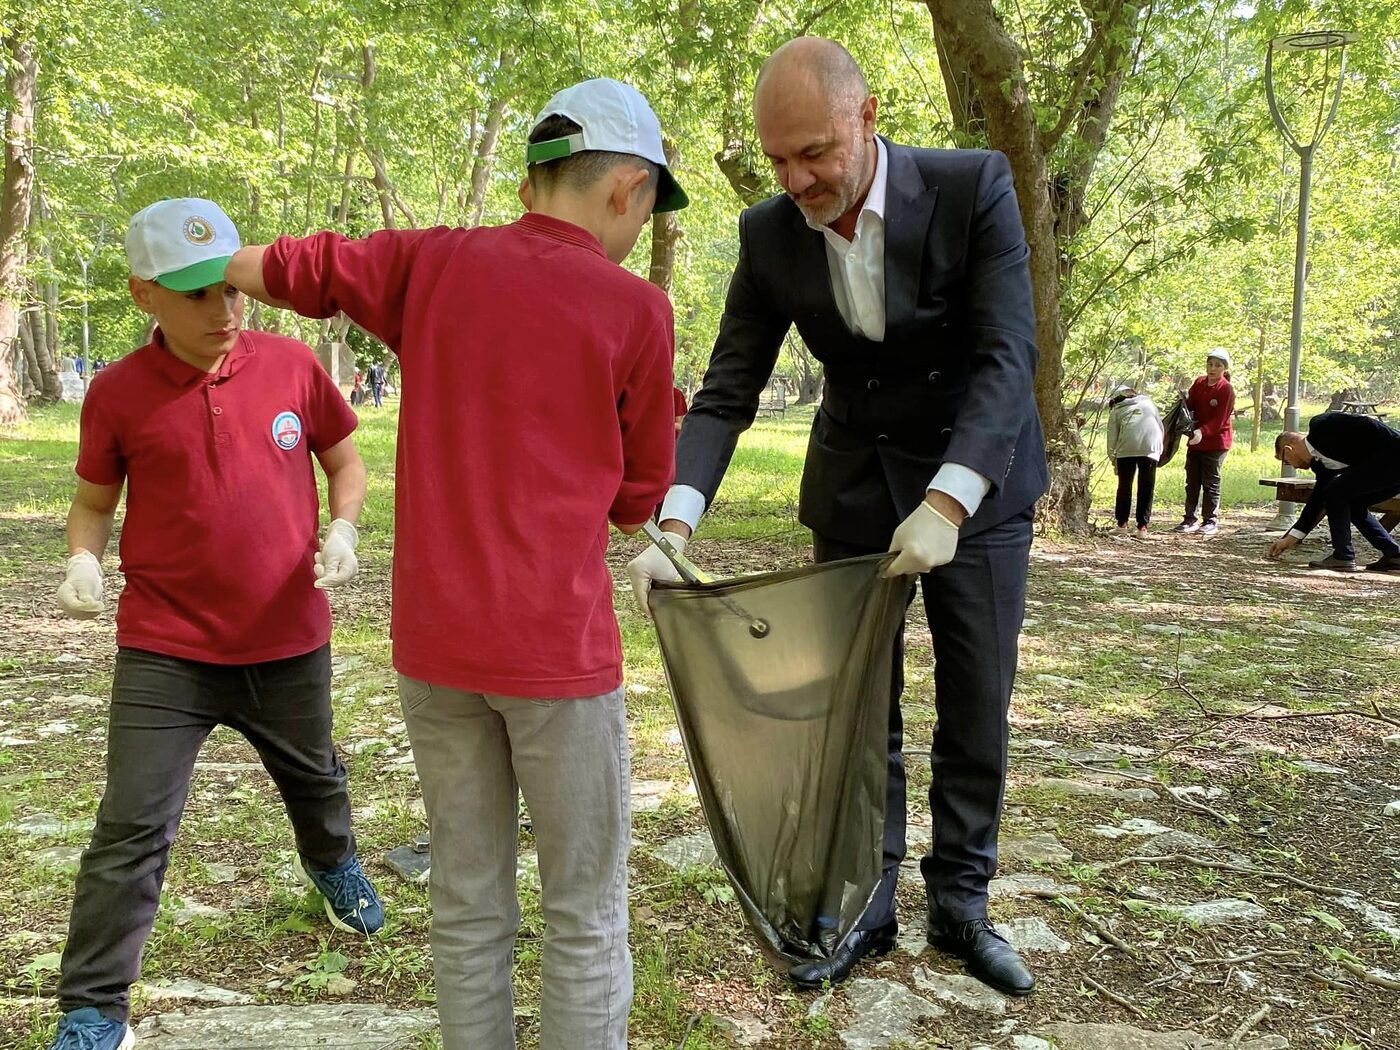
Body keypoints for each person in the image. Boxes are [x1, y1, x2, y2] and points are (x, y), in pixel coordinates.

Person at [224, 78, 683, 1050]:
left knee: (470, 904)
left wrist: (212, 263)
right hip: (558, 654)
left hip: (435, 649)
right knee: (584, 914)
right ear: (625, 189)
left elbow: (313, 268)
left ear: (530, 177)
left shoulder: (431, 265)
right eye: (649, 208)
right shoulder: (635, 312)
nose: (642, 227)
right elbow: (639, 500)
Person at [627, 38, 1047, 997]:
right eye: (777, 159)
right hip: (856, 485)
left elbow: (1004, 358)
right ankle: (866, 904)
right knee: (858, 710)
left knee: (974, 702)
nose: (796, 179)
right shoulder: (769, 233)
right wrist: (676, 526)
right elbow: (729, 388)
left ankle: (962, 907)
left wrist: (949, 499)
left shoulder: (973, 186)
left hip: (976, 491)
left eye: (813, 152)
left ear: (865, 118)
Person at [47, 199, 382, 1050]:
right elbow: (92, 504)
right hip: (167, 648)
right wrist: (83, 557)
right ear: (144, 296)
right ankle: (93, 1011)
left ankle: (333, 865)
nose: (224, 311)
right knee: (130, 825)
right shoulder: (117, 393)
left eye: (232, 289)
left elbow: (344, 460)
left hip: (287, 636)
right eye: (197, 294)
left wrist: (343, 527)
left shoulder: (294, 366)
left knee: (316, 781)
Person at [1267, 412, 1400, 573]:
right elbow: (1317, 501)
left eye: (1286, 462)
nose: (1292, 467)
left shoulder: (1321, 425)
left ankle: (1343, 556)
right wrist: (1290, 538)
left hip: (1393, 457)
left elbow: (1366, 423)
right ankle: (1394, 555)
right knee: (1353, 504)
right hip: (1386, 469)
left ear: (1288, 450)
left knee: (1336, 491)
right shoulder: (1320, 465)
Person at [1173, 348, 1234, 536]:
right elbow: (1191, 405)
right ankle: (1190, 519)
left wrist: (1203, 431)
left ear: (1224, 368)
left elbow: (1220, 419)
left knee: (1211, 482)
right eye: (1210, 364)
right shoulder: (1199, 382)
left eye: (1217, 365)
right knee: (1192, 480)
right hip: (1196, 441)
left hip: (1216, 442)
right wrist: (1182, 403)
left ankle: (1210, 521)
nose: (1212, 369)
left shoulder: (1226, 389)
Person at [1106, 386, 1163, 535]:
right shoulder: (1149, 403)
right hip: (1151, 446)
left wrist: (1114, 459)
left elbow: (1112, 438)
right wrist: (1158, 450)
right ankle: (1142, 527)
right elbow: (1160, 427)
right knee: (1147, 486)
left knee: (1124, 486)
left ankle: (1122, 525)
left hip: (1126, 448)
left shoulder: (1117, 410)